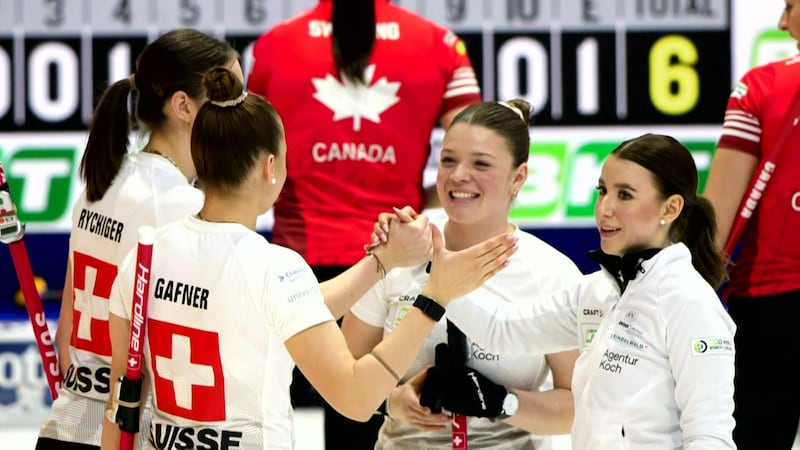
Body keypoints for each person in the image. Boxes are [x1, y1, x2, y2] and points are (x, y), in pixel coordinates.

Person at [100, 66, 516, 450]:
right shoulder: (273, 268)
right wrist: (434, 298)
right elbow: (355, 399)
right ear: (270, 167)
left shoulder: (147, 252)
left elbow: (120, 403)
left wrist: (381, 263)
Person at [246, 0, 483, 446]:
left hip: (295, 275)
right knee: (362, 423)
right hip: (393, 267)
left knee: (267, 425)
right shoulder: (441, 45)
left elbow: (248, 156)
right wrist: (418, 198)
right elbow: (479, 150)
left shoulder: (275, 45)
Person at [432, 134, 736, 448]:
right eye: (602, 191)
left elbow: (710, 437)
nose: (604, 208)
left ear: (670, 207)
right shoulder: (596, 290)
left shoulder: (690, 302)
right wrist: (433, 265)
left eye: (625, 195)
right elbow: (502, 330)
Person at [35, 29, 241, 450]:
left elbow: (65, 334)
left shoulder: (100, 184)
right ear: (183, 105)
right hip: (129, 436)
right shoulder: (183, 206)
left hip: (68, 427)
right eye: (228, 95)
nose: (242, 111)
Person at [341, 99, 581, 449]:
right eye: (448, 159)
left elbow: (577, 404)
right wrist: (390, 402)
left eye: (481, 163)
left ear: (519, 176)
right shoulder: (399, 249)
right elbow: (342, 375)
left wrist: (502, 402)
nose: (457, 176)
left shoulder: (551, 274)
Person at [704, 2, 800, 448]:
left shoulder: (763, 85)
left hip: (772, 306)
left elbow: (715, 226)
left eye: (790, 6)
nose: (782, 22)